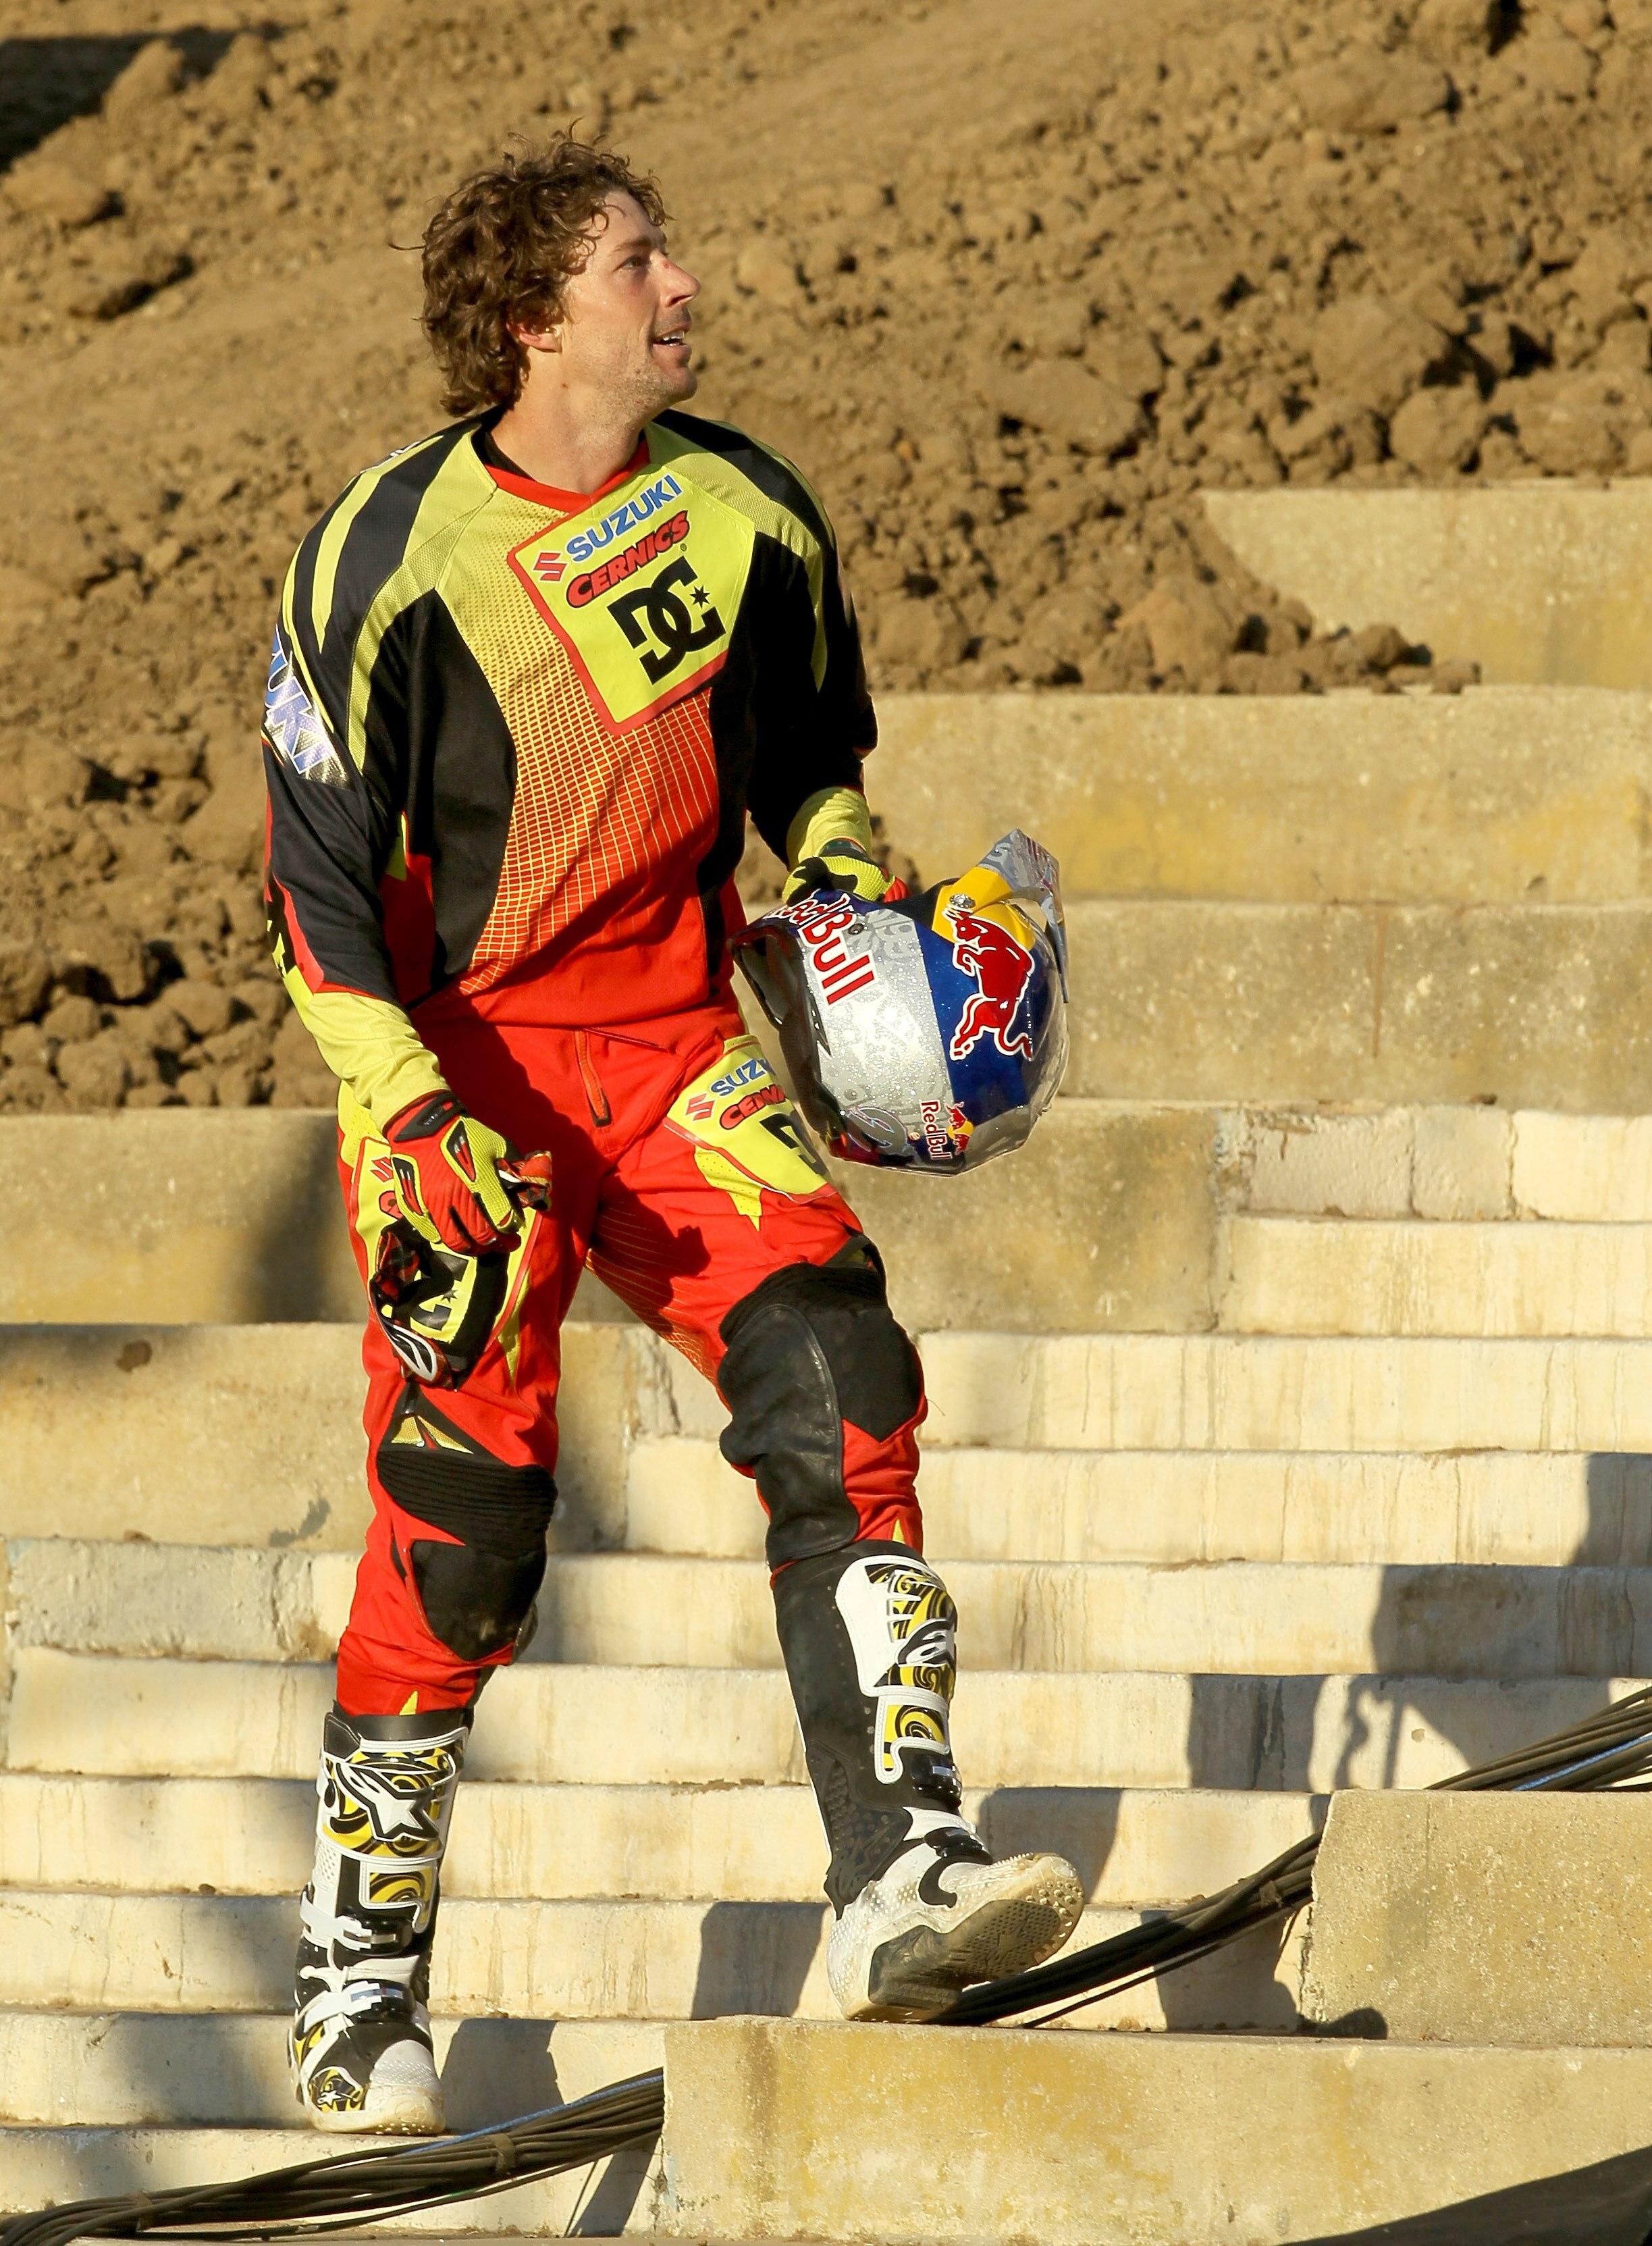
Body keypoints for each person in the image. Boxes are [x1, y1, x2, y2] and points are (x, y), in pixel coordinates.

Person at [262, 134, 1083, 2135]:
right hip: (457, 1080)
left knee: (841, 1373)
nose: (683, 287)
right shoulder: (384, 554)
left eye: (668, 258)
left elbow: (806, 766)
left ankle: (903, 1875)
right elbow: (310, 883)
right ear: (537, 323)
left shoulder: (748, 509)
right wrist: (397, 1106)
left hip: (675, 1047)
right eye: (641, 265)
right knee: (464, 1532)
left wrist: (856, 918)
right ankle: (356, 1990)